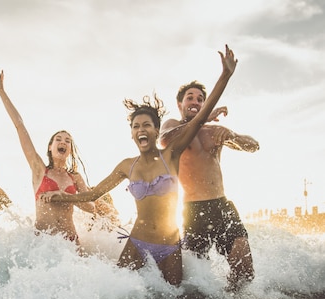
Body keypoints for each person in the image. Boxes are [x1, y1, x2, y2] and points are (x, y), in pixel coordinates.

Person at [41, 45, 237, 285]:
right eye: (136, 126)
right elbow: (93, 194)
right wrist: (61, 197)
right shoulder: (126, 165)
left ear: (156, 130)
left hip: (169, 247)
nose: (141, 130)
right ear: (132, 134)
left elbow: (199, 118)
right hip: (137, 244)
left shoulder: (171, 155)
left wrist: (225, 76)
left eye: (146, 125)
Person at [159, 79, 259, 291]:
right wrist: (203, 118)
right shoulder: (173, 126)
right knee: (195, 278)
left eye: (200, 99)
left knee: (245, 271)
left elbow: (253, 146)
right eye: (190, 98)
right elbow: (164, 140)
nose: (195, 101)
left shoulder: (214, 132)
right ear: (180, 104)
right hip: (194, 211)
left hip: (222, 206)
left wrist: (232, 135)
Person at [0, 71, 95, 244]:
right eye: (58, 139)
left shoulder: (75, 177)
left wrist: (63, 195)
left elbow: (90, 207)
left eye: (67, 141)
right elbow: (20, 126)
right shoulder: (39, 169)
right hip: (43, 244)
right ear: (50, 147)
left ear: (70, 150)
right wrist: (2, 93)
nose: (62, 142)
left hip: (71, 242)